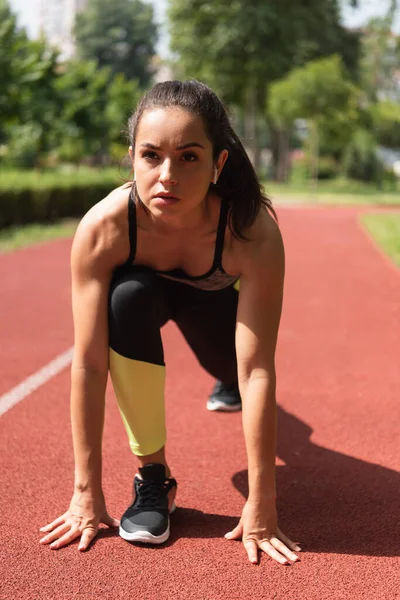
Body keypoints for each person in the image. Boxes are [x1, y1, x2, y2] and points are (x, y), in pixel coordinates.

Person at [39, 80, 301, 566]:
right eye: (151, 156)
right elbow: (90, 365)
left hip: (216, 315)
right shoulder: (105, 228)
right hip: (145, 303)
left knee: (237, 375)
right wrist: (84, 491)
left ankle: (221, 382)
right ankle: (154, 479)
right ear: (132, 157)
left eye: (188, 157)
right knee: (128, 297)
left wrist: (263, 500)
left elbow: (258, 369)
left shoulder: (251, 229)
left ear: (218, 164)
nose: (167, 176)